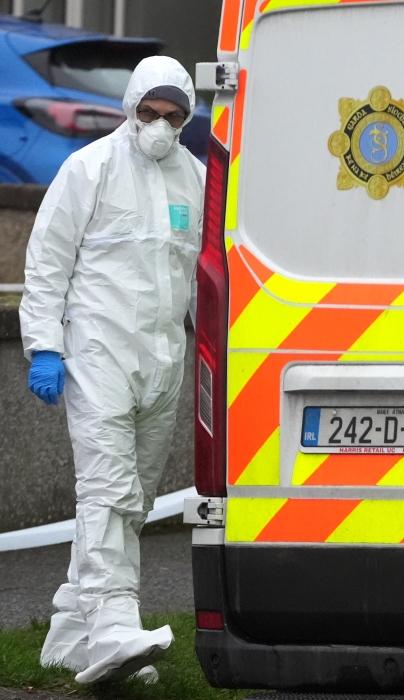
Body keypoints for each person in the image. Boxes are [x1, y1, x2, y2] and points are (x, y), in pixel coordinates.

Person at [20, 55, 205, 685]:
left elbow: (200, 277)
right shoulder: (89, 167)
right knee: (107, 489)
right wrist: (45, 345)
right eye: (149, 112)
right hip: (98, 352)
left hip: (164, 361)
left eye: (173, 115)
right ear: (130, 107)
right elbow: (48, 261)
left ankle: (70, 634)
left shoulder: (195, 179)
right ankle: (115, 625)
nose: (160, 125)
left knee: (136, 499)